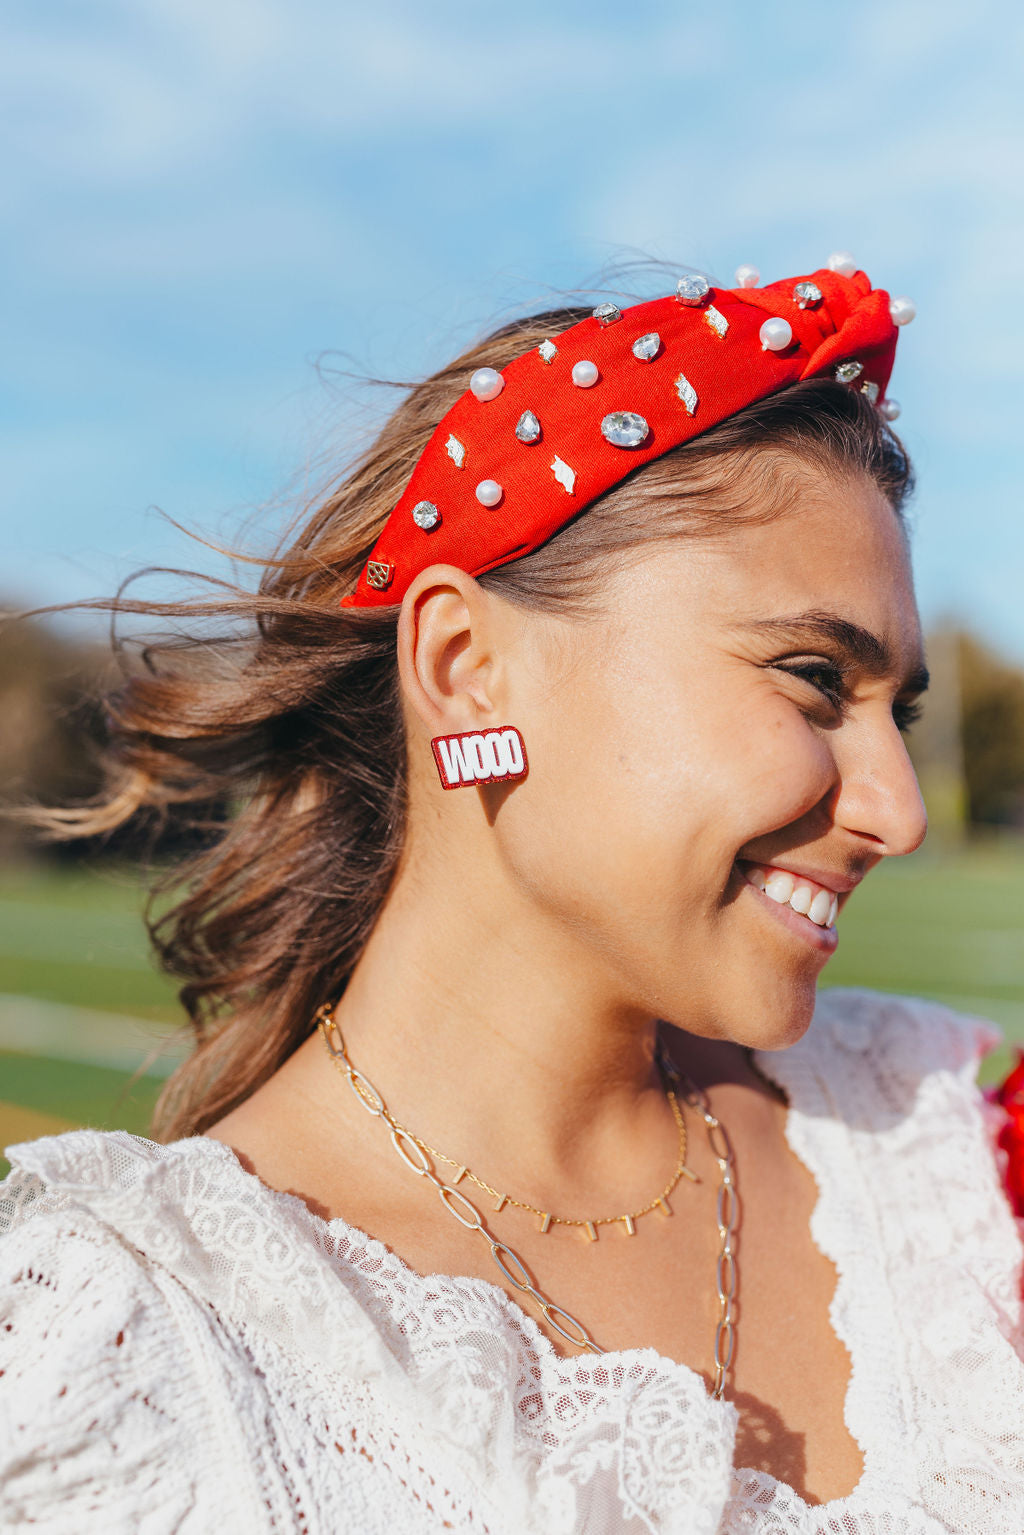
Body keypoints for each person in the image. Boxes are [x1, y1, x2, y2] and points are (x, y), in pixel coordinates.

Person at [2, 260, 1022, 1535]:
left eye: (899, 711)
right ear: (465, 665)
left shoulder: (942, 1155)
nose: (899, 809)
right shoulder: (126, 1352)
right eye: (814, 677)